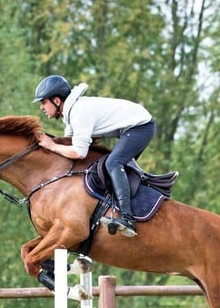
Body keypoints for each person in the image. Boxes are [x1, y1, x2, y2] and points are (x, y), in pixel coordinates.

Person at [33, 74, 156, 238]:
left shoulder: (78, 112)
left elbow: (78, 152)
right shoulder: (71, 116)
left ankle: (127, 218)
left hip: (141, 127)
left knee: (113, 163)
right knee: (107, 167)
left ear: (56, 100)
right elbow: (69, 146)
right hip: (131, 129)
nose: (41, 107)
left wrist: (52, 145)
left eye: (43, 102)